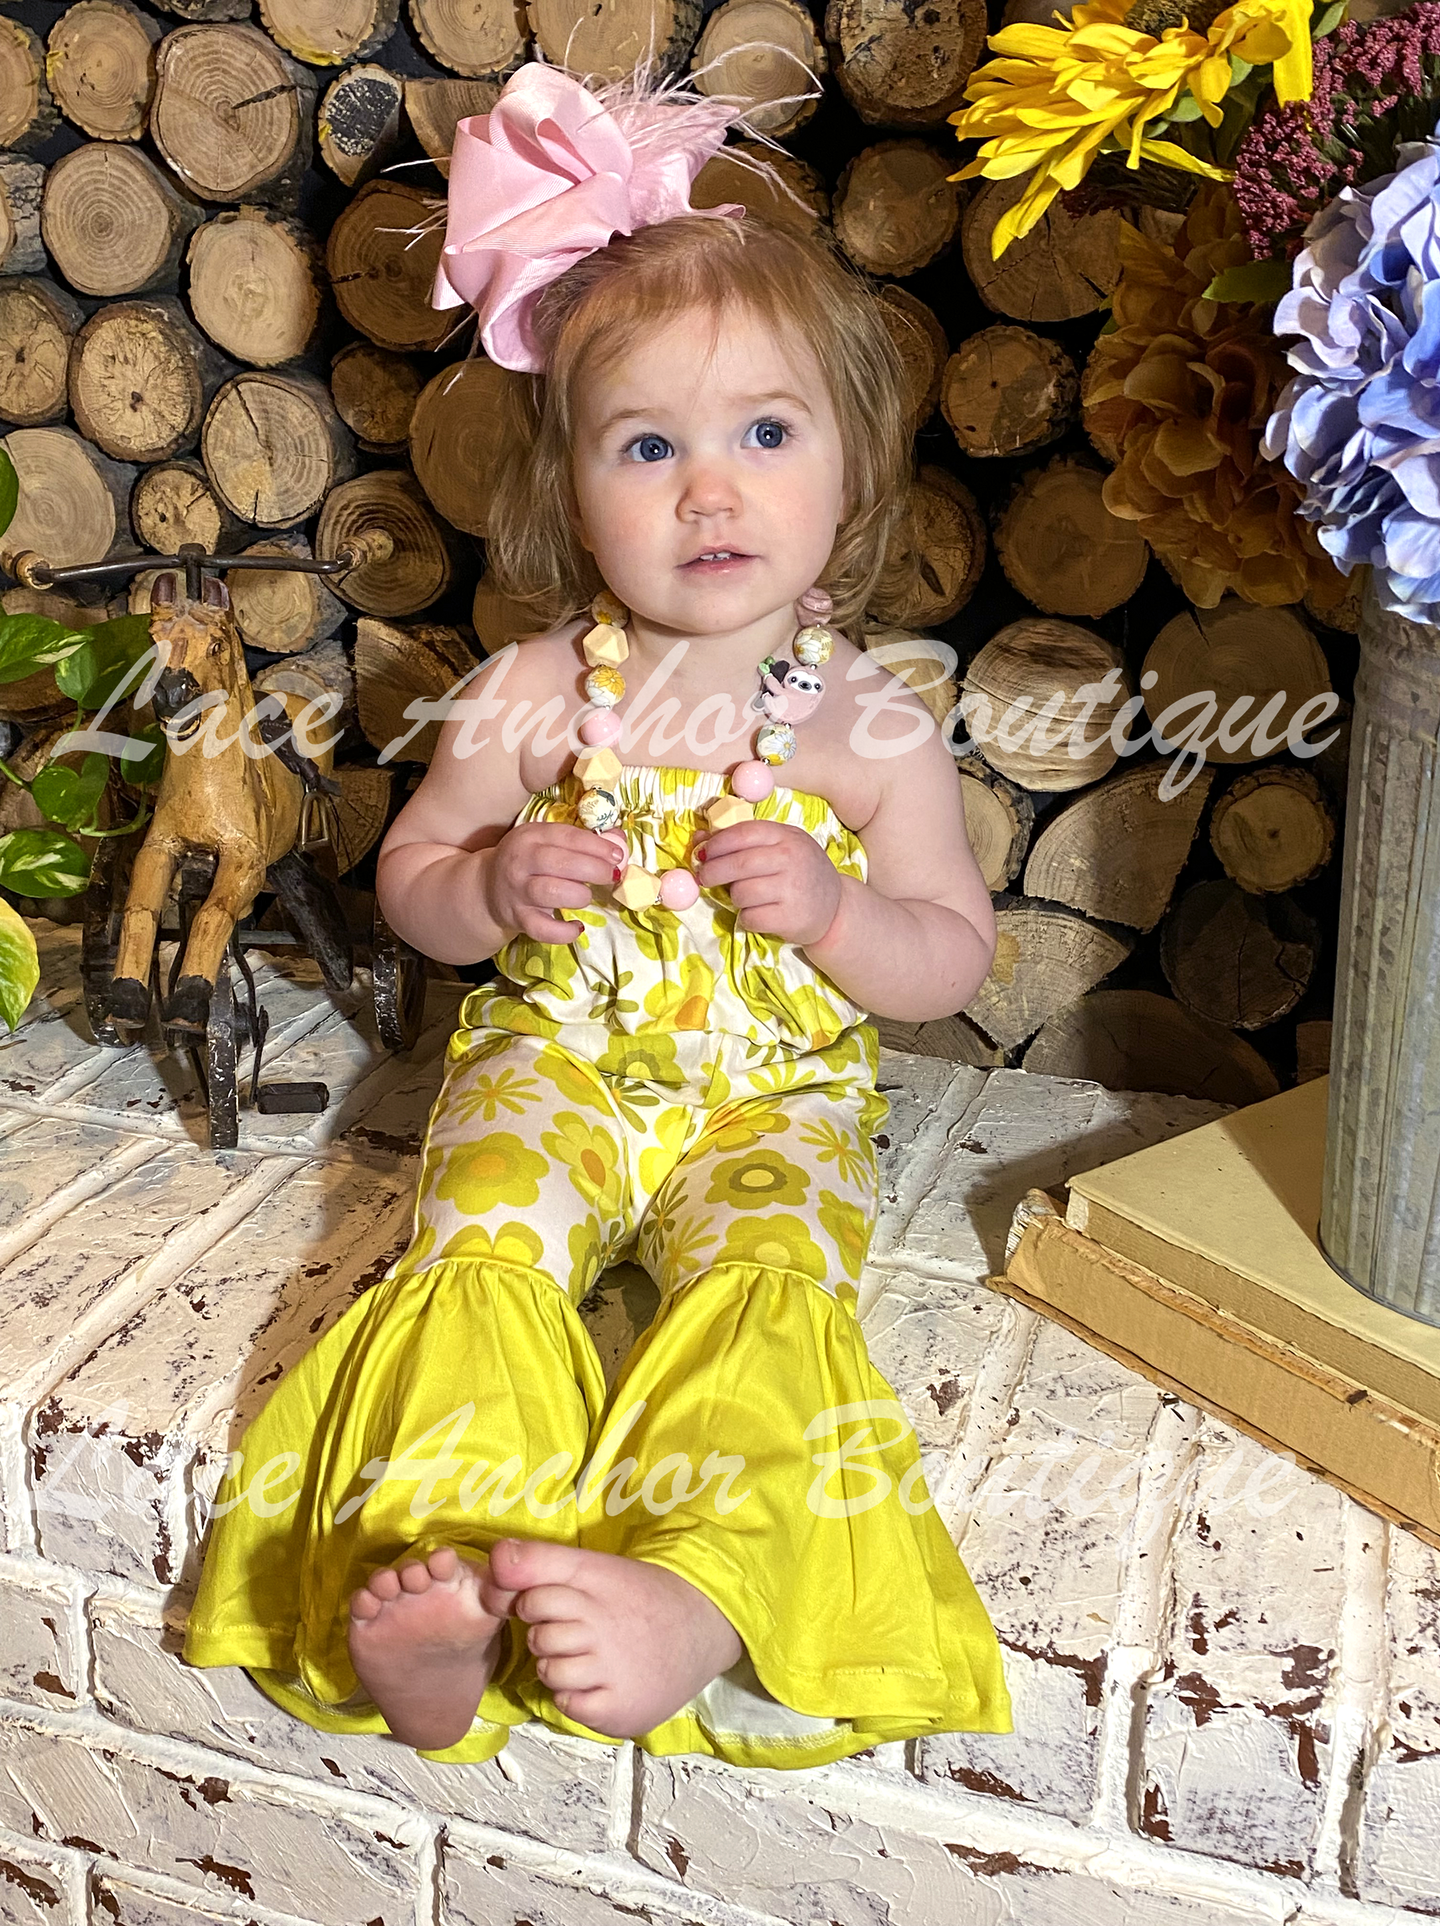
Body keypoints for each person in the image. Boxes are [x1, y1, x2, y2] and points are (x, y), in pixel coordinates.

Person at [182, 52, 1012, 1772]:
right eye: (650, 444)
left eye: (765, 432)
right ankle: (448, 1579)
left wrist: (837, 913)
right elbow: (414, 883)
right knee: (481, 1231)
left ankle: (701, 1587)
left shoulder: (869, 721)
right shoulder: (533, 691)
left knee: (769, 1280)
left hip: (768, 1100)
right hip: (557, 1059)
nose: (712, 488)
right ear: (571, 488)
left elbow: (951, 948)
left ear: (851, 465)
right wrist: (488, 884)